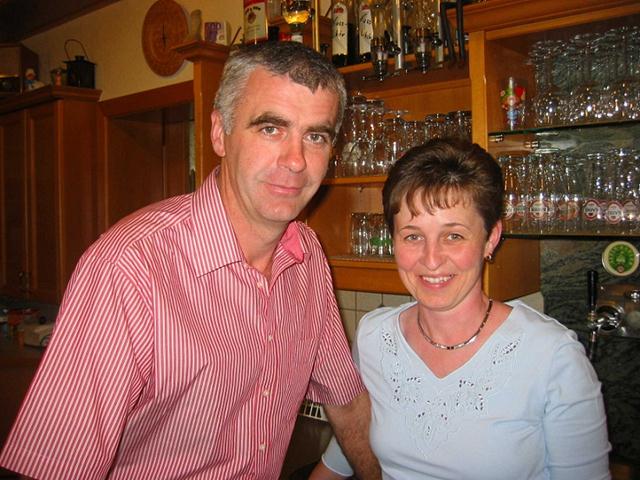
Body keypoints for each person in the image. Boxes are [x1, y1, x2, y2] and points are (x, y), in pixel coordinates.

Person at [0, 41, 380, 480]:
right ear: (219, 133)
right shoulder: (129, 266)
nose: (295, 161)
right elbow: (54, 467)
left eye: (316, 136)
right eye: (270, 128)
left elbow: (345, 401)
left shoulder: (308, 258)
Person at [311, 138, 611, 479]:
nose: (431, 259)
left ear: (490, 238)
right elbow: (349, 447)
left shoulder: (552, 356)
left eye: (453, 235)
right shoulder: (373, 337)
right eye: (412, 236)